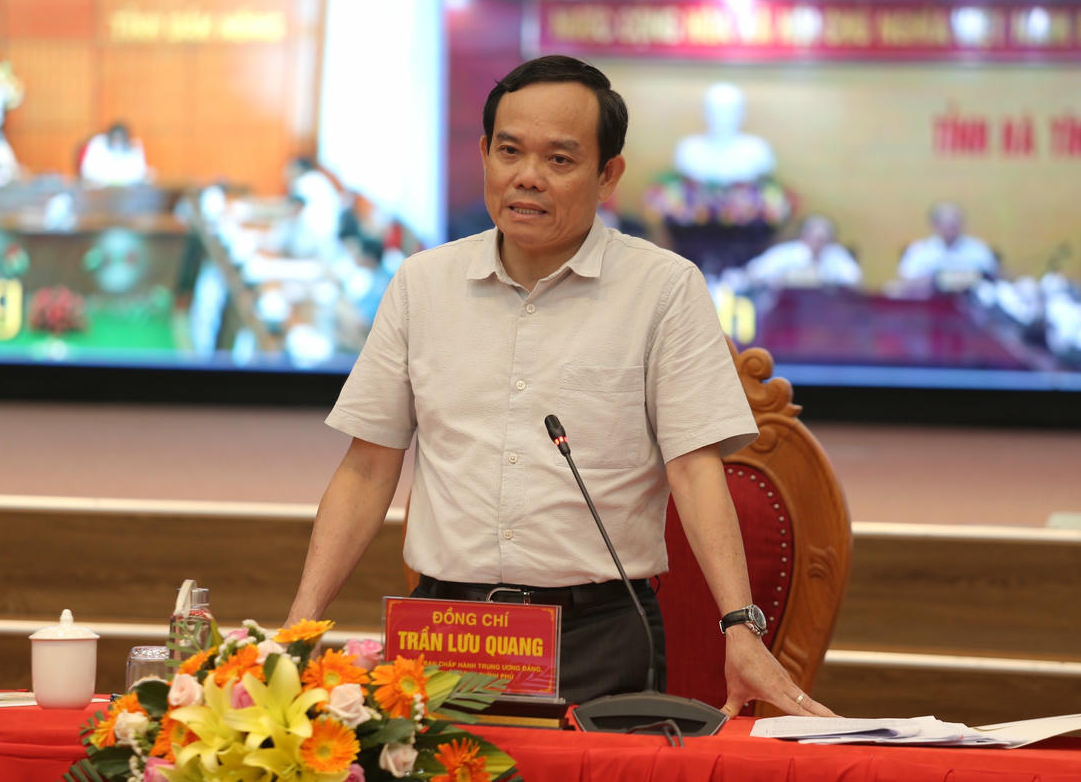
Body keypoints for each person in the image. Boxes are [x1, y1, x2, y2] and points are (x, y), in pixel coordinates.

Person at [285, 55, 834, 717]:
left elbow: (694, 468)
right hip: (442, 631)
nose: (528, 176)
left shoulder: (663, 289)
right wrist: (299, 630)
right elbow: (367, 468)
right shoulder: (421, 285)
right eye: (509, 151)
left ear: (608, 175)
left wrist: (739, 628)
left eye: (560, 159)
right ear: (485, 154)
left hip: (597, 635)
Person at [673, 82, 776, 185]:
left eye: (730, 112)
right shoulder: (688, 150)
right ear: (704, 114)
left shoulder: (759, 150)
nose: (722, 118)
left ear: (743, 115)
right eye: (715, 111)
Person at [897, 202, 998, 290]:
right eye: (947, 223)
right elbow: (906, 282)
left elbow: (994, 278)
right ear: (935, 225)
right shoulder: (919, 251)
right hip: (931, 303)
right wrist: (935, 281)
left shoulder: (978, 249)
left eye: (955, 223)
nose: (951, 228)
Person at [745, 215, 862, 289]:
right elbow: (754, 273)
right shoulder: (785, 253)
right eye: (816, 239)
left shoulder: (836, 255)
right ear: (804, 236)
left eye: (825, 240)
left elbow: (854, 280)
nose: (819, 244)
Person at [80, 121, 150, 186]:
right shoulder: (98, 144)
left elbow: (139, 173)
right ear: (109, 137)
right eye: (115, 139)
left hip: (128, 189)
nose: (117, 143)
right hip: (99, 188)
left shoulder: (134, 146)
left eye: (120, 139)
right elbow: (87, 171)